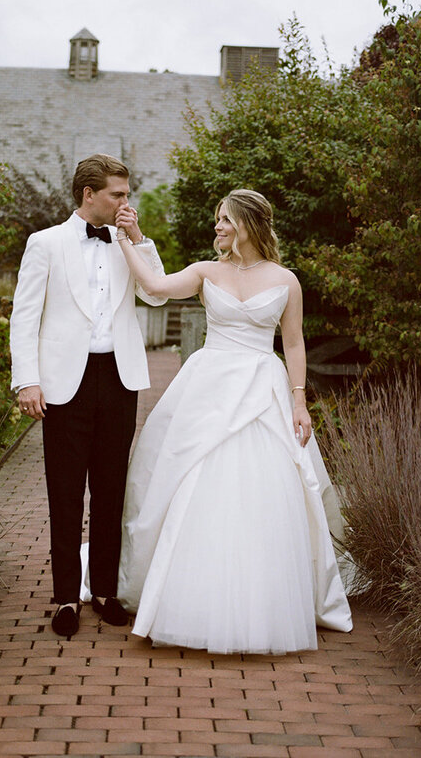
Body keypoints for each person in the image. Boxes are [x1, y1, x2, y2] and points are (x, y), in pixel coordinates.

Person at [112, 189, 352, 654]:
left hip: (264, 388)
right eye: (217, 219)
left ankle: (265, 599)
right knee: (192, 482)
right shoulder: (206, 272)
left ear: (246, 223)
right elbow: (157, 289)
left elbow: (295, 344)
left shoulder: (287, 280)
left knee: (266, 489)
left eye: (224, 220)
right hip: (209, 386)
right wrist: (129, 239)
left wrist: (299, 402)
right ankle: (188, 595)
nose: (217, 227)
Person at [9, 154, 166, 637]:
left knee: (111, 488)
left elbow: (157, 294)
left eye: (126, 194)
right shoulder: (45, 244)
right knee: (65, 491)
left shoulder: (127, 243)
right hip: (63, 383)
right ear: (88, 195)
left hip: (118, 378)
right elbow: (24, 316)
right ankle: (64, 598)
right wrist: (27, 380)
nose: (126, 203)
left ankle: (103, 591)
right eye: (117, 195)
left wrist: (138, 241)